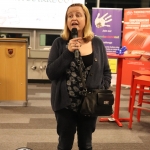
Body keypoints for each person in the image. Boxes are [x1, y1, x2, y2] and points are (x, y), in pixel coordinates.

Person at [46, 3, 111, 150]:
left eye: (78, 15)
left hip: (90, 104)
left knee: (86, 144)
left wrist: (102, 87)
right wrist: (68, 52)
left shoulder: (98, 43)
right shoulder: (59, 43)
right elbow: (51, 73)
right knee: (64, 144)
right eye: (70, 16)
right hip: (65, 104)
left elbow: (106, 71)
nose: (73, 18)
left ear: (86, 19)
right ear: (66, 21)